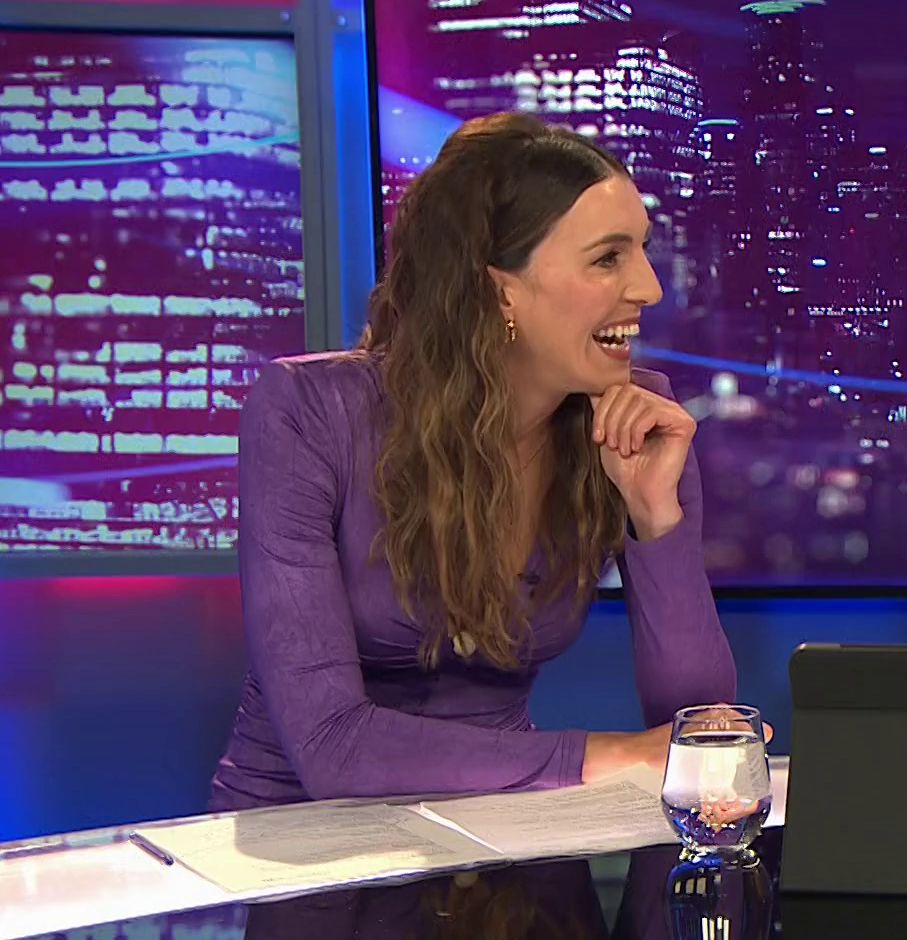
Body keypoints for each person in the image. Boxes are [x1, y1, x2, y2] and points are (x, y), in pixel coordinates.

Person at [209, 112, 736, 812]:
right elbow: (331, 746)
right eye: (609, 259)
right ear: (500, 290)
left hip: (506, 822)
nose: (649, 288)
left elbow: (703, 732)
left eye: (641, 250)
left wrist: (654, 518)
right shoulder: (308, 411)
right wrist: (613, 755)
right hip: (306, 833)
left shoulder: (638, 422)